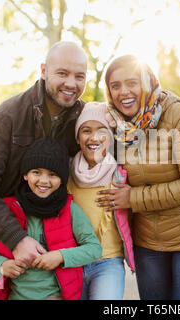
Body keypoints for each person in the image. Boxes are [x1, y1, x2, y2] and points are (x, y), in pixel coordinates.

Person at [0, 41, 89, 299]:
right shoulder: (5, 117)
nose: (71, 83)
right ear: (44, 70)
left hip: (56, 242)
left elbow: (117, 141)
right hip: (4, 239)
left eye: (79, 76)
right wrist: (16, 239)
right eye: (62, 73)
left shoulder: (83, 118)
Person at [96, 54, 180, 300]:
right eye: (115, 86)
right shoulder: (114, 124)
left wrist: (133, 198)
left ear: (148, 81)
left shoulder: (179, 115)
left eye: (132, 82)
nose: (124, 92)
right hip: (148, 243)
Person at [0, 138, 102, 300]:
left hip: (56, 296)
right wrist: (1, 265)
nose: (44, 180)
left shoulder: (69, 209)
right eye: (36, 172)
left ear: (62, 179)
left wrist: (60, 256)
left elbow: (94, 249)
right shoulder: (6, 209)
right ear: (25, 175)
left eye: (53, 174)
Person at [67, 102, 135, 300]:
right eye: (86, 131)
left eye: (101, 131)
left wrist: (134, 196)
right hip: (73, 261)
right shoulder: (67, 173)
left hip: (108, 262)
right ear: (78, 138)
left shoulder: (121, 174)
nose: (94, 137)